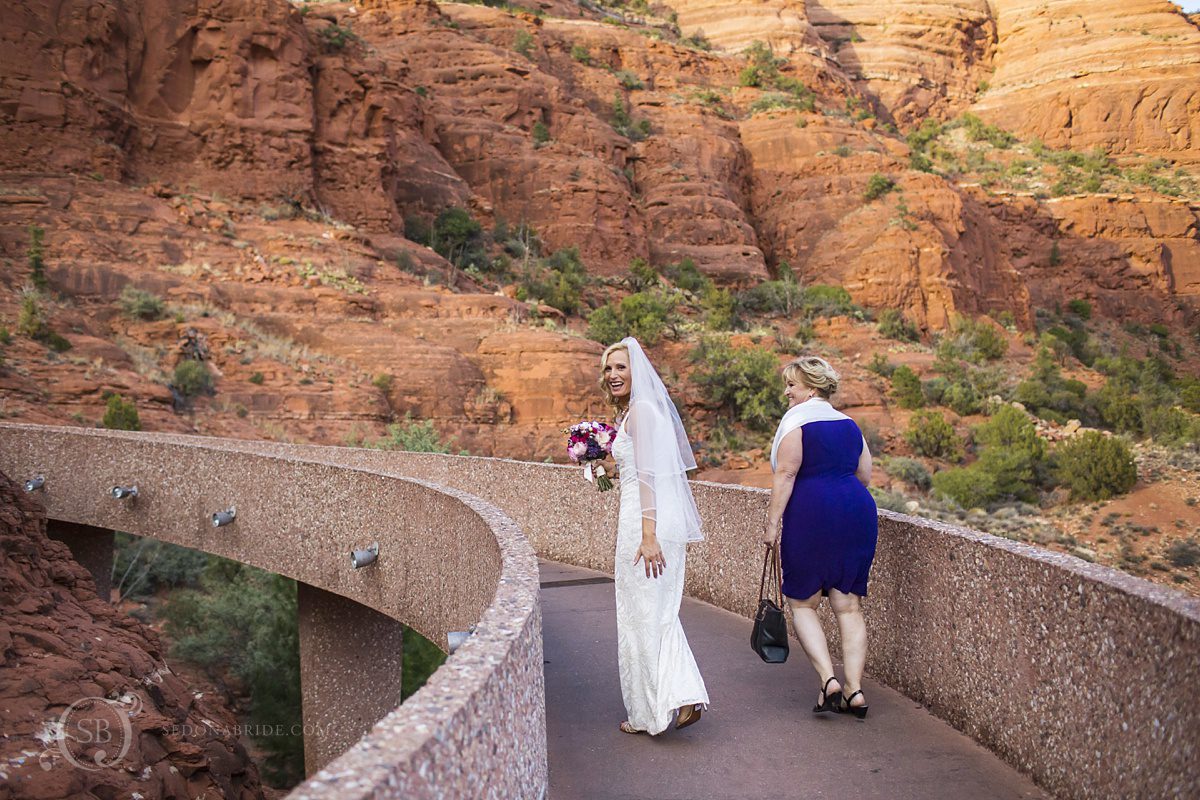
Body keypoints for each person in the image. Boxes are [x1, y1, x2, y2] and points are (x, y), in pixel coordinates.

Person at [600, 337, 709, 735]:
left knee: (645, 612)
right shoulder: (636, 413)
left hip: (646, 522)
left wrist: (648, 535)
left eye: (621, 368)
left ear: (637, 372)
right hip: (649, 515)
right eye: (608, 369)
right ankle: (673, 700)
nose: (613, 375)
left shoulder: (642, 412)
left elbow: (647, 476)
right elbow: (636, 470)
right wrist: (604, 469)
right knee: (652, 610)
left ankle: (663, 706)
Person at [762, 356, 878, 719]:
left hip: (812, 512)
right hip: (856, 511)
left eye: (792, 385)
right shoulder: (850, 425)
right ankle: (854, 690)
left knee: (802, 603)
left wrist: (772, 524)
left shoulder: (797, 423)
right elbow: (865, 475)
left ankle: (829, 680)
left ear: (811, 387)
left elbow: (786, 474)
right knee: (849, 605)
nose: (787, 392)